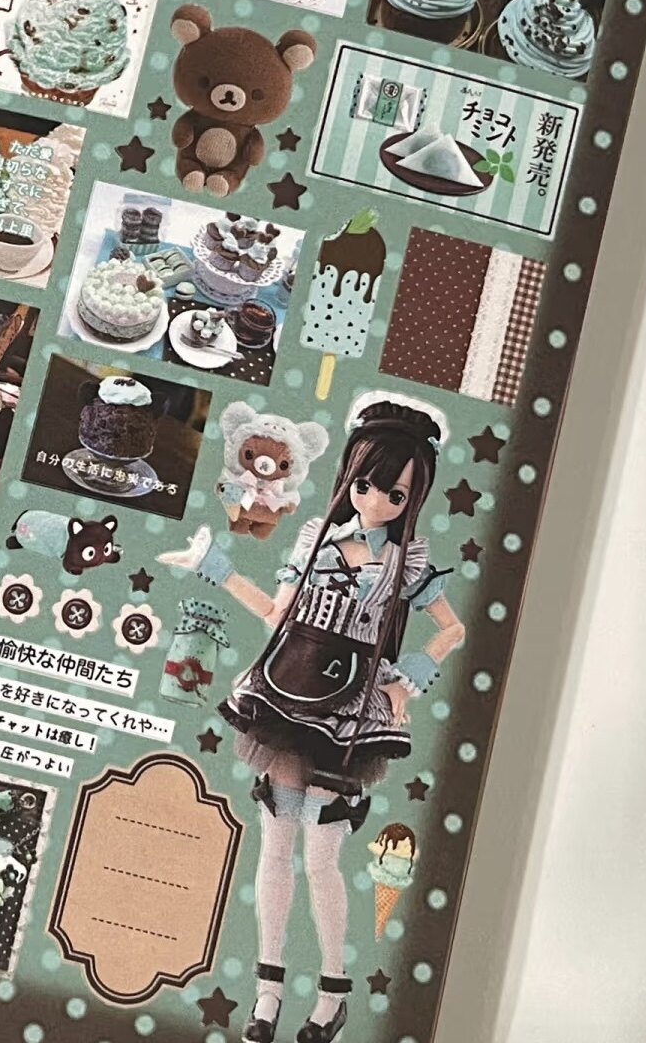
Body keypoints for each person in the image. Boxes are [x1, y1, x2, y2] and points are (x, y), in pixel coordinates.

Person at [159, 393, 465, 1043]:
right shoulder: (317, 538)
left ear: (413, 498)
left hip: (352, 712)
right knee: (275, 845)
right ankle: (267, 994)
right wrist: (216, 569)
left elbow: (453, 628)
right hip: (289, 693)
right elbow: (278, 615)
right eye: (365, 484)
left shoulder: (408, 561)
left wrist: (412, 673)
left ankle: (332, 995)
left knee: (322, 856)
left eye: (395, 494)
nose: (375, 501)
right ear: (348, 478)